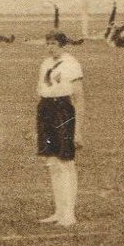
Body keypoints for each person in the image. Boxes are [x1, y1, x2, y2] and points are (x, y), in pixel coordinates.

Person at [36, 31, 85, 228]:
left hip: (63, 110)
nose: (50, 47)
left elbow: (79, 98)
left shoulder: (71, 64)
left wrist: (78, 130)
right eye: (48, 43)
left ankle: (69, 213)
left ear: (63, 45)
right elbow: (41, 88)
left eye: (54, 43)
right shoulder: (45, 63)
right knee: (52, 163)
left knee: (66, 163)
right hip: (46, 109)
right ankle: (59, 211)